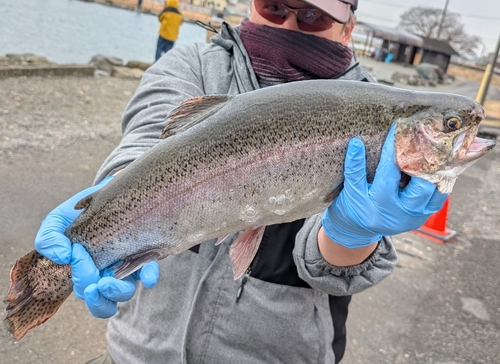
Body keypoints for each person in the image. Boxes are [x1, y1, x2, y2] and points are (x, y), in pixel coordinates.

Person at [35, 0, 448, 363]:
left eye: (311, 16)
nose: (287, 26)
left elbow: (324, 268)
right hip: (139, 351)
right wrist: (111, 193)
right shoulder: (193, 65)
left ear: (348, 27)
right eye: (273, 8)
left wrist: (354, 234)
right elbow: (146, 139)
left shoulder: (375, 114)